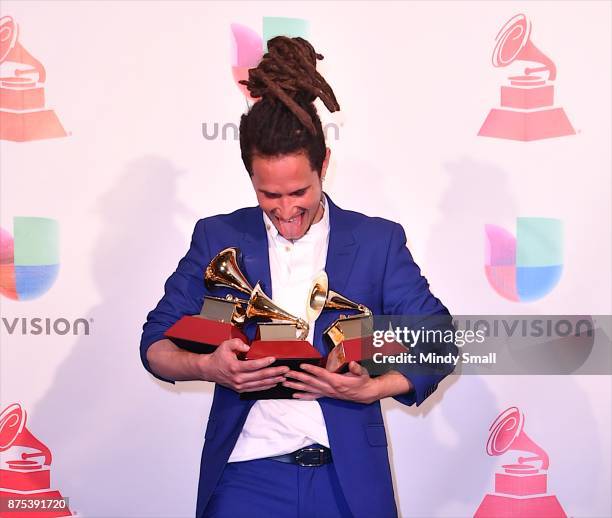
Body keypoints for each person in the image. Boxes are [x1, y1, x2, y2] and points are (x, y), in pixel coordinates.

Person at [140, 36, 456, 518]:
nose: (286, 210)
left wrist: (371, 387)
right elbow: (155, 345)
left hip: (345, 480)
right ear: (249, 177)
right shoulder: (217, 236)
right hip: (245, 477)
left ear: (324, 164)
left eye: (299, 191)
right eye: (269, 194)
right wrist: (210, 367)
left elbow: (441, 340)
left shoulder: (377, 242)